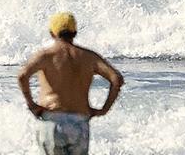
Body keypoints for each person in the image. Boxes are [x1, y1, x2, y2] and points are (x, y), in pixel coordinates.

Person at [18, 12, 124, 155]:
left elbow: (22, 76)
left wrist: (31, 104)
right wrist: (104, 109)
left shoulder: (46, 55)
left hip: (52, 120)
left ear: (52, 33)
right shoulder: (88, 56)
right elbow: (116, 79)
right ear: (75, 32)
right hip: (79, 122)